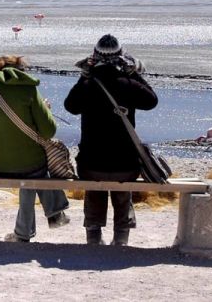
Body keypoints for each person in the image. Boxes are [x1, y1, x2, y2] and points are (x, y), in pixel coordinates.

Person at [64, 34, 158, 246]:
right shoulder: (128, 84)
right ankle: (121, 237)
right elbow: (152, 100)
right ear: (121, 57)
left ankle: (94, 235)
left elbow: (70, 106)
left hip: (91, 163)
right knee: (122, 191)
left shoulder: (88, 85)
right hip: (126, 165)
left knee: (94, 187)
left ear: (94, 58)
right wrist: (134, 75)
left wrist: (85, 77)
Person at [0, 55, 70, 243]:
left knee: (30, 174)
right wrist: (46, 110)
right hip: (31, 167)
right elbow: (49, 131)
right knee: (34, 172)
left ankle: (33, 227)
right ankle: (52, 214)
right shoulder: (29, 92)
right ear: (21, 71)